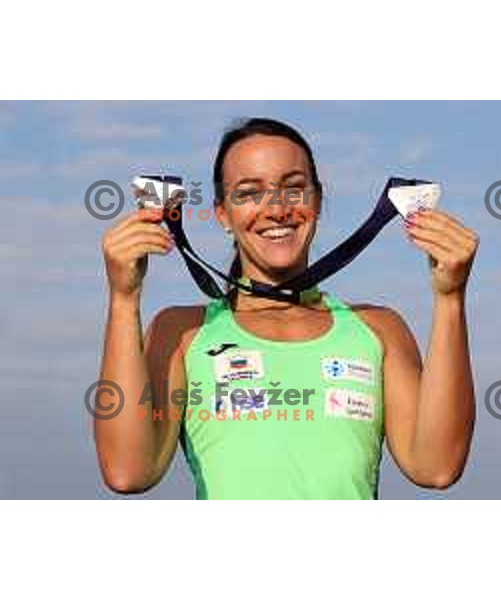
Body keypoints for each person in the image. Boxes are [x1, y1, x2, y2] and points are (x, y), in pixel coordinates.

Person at [95, 117, 479, 499]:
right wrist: (124, 299)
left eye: (294, 188)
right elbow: (128, 472)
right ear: (222, 215)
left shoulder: (378, 328)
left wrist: (450, 299)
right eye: (248, 192)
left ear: (317, 200)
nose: (277, 209)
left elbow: (437, 466)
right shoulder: (182, 332)